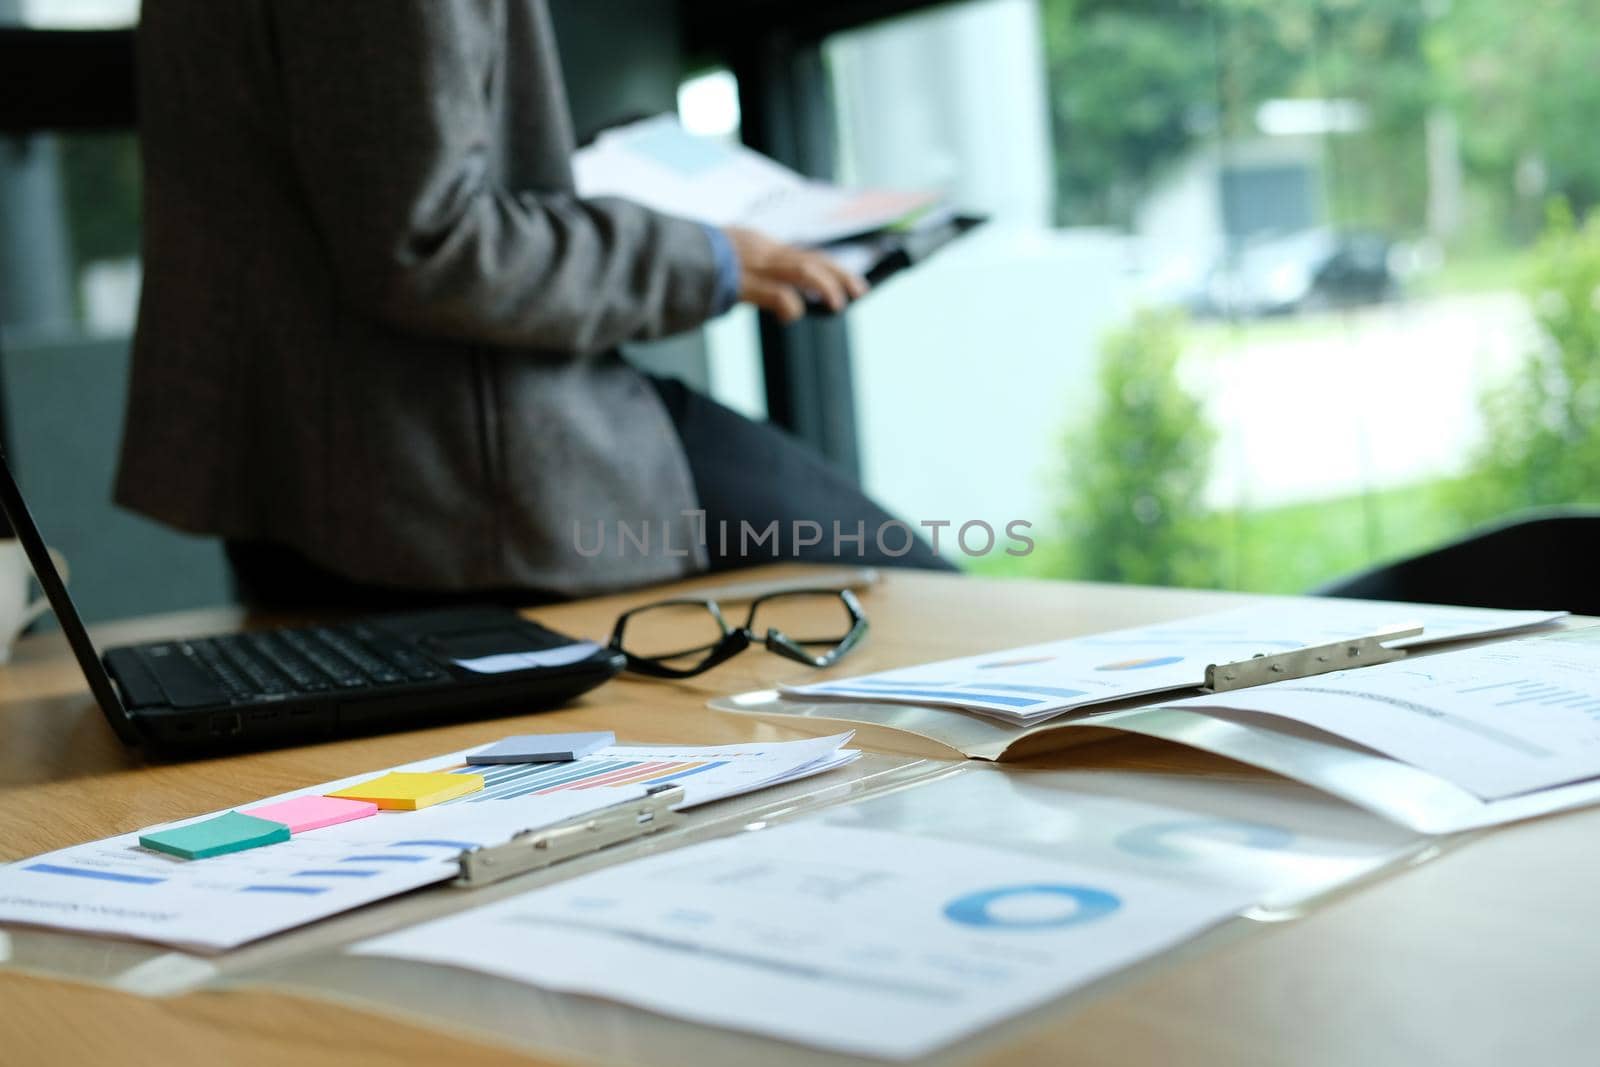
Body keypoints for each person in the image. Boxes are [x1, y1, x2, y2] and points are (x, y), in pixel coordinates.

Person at [116, 1, 952, 610]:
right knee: (936, 620)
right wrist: (706, 256)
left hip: (324, 480)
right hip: (452, 473)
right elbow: (428, 242)